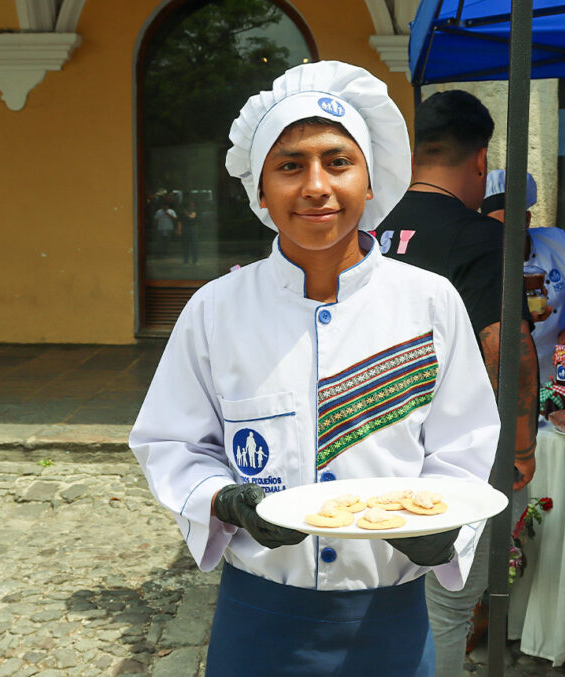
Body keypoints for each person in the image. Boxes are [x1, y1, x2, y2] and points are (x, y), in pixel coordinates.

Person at [130, 61, 501, 677]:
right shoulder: (216, 310)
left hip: (392, 626)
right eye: (290, 166)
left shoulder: (429, 302)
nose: (315, 186)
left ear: (371, 176)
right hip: (259, 620)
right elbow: (171, 442)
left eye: (337, 161)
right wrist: (223, 500)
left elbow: (462, 444)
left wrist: (446, 526)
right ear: (260, 187)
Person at [374, 90, 539, 677]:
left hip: (370, 438)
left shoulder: (369, 226)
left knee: (385, 601)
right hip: (454, 453)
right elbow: (507, 346)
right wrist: (520, 444)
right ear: (480, 160)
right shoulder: (480, 236)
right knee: (446, 607)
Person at [483, 169, 565, 382]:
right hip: (504, 375)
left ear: (526, 219)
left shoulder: (557, 242)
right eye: (493, 227)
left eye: (509, 226)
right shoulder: (480, 259)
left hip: (557, 367)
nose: (501, 235)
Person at [178, 200, 199, 265]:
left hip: (193, 230)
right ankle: (186, 261)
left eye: (193, 206)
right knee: (186, 246)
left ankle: (195, 261)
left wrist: (197, 230)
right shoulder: (183, 214)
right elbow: (180, 222)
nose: (192, 207)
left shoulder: (195, 214)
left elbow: (196, 223)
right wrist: (179, 230)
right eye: (190, 206)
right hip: (185, 229)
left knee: (194, 246)